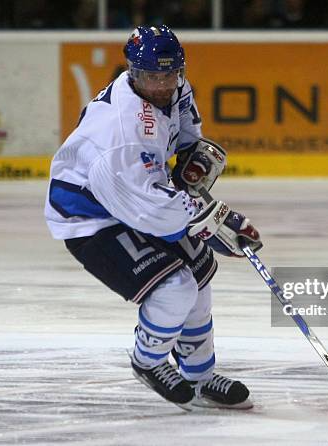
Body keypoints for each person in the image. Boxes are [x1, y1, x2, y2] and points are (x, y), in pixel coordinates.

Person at [44, 25, 262, 411]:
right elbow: (148, 208)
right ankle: (148, 362)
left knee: (199, 272)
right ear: (132, 71)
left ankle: (199, 374)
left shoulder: (176, 88)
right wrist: (212, 222)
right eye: (150, 76)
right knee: (174, 287)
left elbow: (184, 135)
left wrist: (190, 158)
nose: (161, 85)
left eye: (169, 74)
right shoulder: (124, 131)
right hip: (91, 216)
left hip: (139, 196)